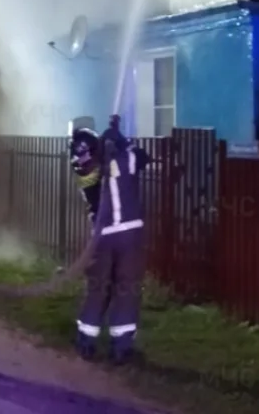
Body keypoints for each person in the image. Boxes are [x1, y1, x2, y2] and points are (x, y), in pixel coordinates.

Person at [71, 115, 151, 364]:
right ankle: (121, 347)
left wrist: (109, 144)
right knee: (127, 290)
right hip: (128, 235)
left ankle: (86, 341)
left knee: (97, 289)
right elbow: (143, 157)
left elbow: (94, 169)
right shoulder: (123, 162)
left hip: (102, 239)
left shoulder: (85, 170)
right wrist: (122, 140)